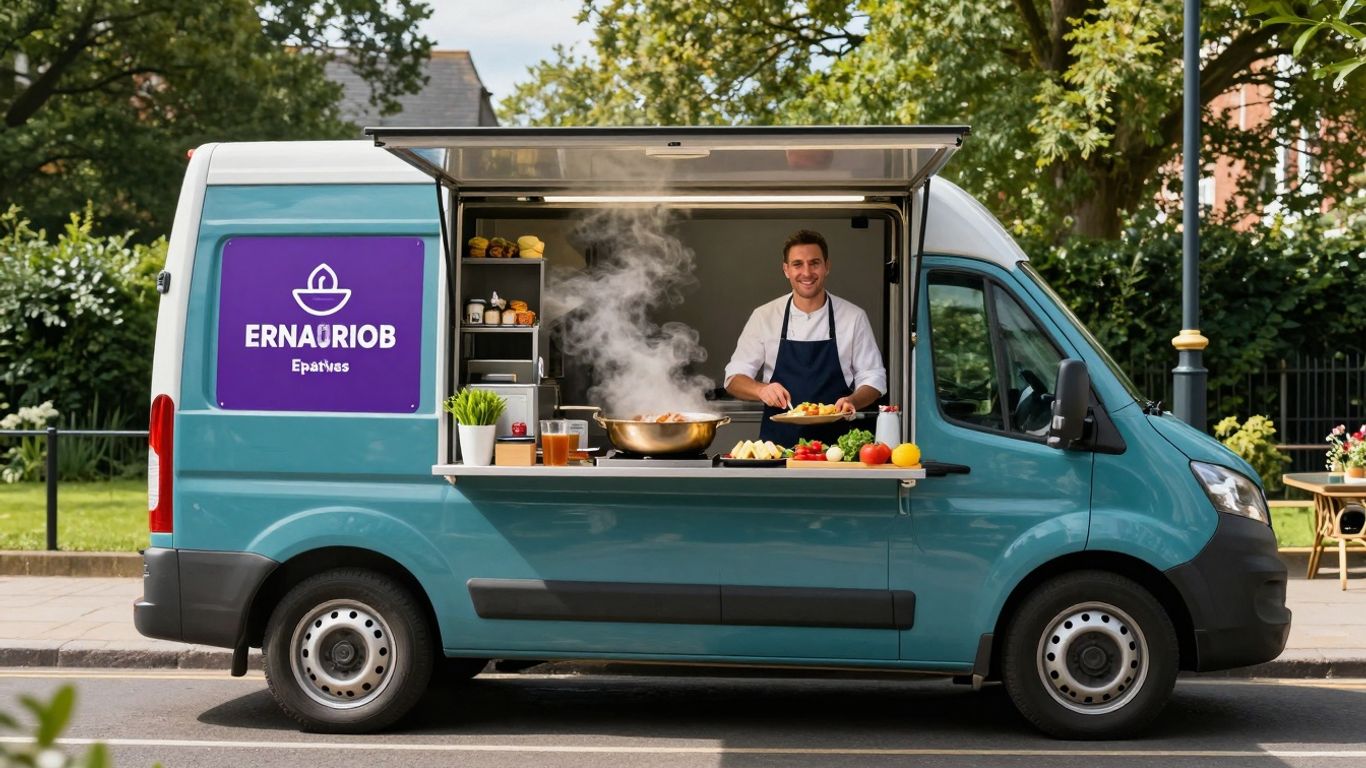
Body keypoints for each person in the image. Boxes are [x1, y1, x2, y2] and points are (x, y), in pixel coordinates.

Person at [724, 229, 887, 446]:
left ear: (827, 266)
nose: (807, 272)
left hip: (837, 448)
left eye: (814, 263)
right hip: (777, 448)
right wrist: (762, 389)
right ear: (786, 270)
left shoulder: (853, 317)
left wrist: (852, 400)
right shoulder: (764, 316)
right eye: (797, 264)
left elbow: (874, 377)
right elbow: (733, 378)